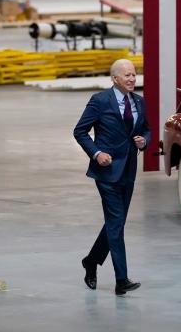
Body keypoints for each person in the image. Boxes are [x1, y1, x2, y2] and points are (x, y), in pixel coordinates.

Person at [73, 58, 151, 296]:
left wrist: (143, 140)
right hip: (106, 172)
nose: (132, 78)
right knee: (116, 224)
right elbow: (80, 131)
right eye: (126, 75)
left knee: (116, 224)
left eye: (134, 74)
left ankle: (91, 261)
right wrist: (96, 153)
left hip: (128, 170)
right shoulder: (100, 101)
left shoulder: (139, 101)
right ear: (114, 78)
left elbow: (145, 128)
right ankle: (121, 279)